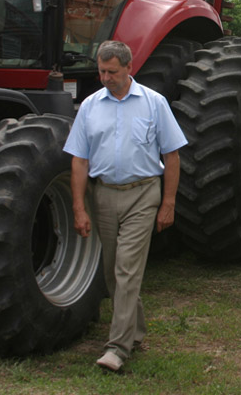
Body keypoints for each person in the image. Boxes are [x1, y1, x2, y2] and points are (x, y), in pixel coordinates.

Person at [65, 40, 187, 372]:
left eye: (112, 72)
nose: (105, 77)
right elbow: (79, 160)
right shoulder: (90, 106)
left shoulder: (154, 103)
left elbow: (172, 155)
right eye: (101, 71)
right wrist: (79, 206)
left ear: (129, 68)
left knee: (127, 268)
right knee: (111, 273)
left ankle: (117, 348)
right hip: (102, 194)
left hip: (143, 194)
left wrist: (168, 202)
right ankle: (135, 332)